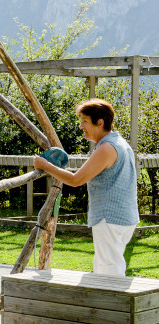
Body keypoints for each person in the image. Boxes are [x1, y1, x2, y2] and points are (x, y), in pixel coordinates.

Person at [34, 98, 139, 276]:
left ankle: (108, 304)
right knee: (108, 269)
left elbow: (76, 180)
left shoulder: (106, 147)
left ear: (100, 123)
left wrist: (45, 165)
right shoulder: (120, 143)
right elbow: (88, 173)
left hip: (110, 218)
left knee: (108, 275)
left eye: (84, 121)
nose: (81, 126)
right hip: (124, 217)